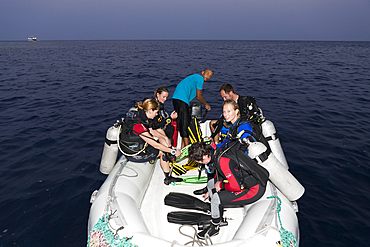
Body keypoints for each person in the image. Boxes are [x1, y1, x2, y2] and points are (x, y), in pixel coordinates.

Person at [188, 141, 267, 239]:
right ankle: (216, 212)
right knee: (210, 183)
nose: (200, 163)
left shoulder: (223, 161)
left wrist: (221, 185)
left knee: (216, 199)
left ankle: (215, 226)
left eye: (199, 161)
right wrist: (212, 188)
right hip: (243, 181)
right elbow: (219, 173)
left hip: (253, 190)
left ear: (205, 156)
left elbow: (236, 187)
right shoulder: (217, 152)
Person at [119, 98, 182, 185]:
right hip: (135, 154)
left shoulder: (141, 117)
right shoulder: (138, 125)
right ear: (150, 111)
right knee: (163, 152)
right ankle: (168, 178)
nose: (156, 115)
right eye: (156, 112)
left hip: (134, 147)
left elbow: (151, 131)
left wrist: (165, 138)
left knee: (163, 143)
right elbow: (155, 145)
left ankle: (168, 170)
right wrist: (172, 151)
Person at [172, 69, 213, 148]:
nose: (208, 76)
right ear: (202, 72)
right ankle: (186, 147)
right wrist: (206, 104)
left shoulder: (194, 78)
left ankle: (182, 147)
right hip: (181, 99)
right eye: (207, 74)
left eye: (210, 76)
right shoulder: (200, 78)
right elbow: (199, 96)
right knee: (185, 123)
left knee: (182, 122)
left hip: (176, 98)